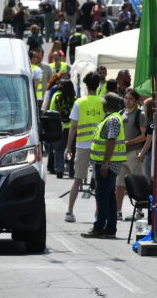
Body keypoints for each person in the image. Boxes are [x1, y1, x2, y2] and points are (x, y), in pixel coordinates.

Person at [81, 93, 126, 239]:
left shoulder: (112, 119)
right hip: (106, 162)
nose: (102, 105)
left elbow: (111, 141)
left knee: (102, 196)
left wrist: (106, 163)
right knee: (109, 197)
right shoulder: (112, 118)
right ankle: (110, 229)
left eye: (103, 103)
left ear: (107, 105)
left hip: (107, 163)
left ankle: (99, 227)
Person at [63, 75, 105, 222]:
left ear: (86, 86)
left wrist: (68, 146)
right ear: (98, 85)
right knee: (99, 181)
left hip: (82, 146)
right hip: (100, 146)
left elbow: (73, 126)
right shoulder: (103, 102)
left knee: (77, 179)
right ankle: (98, 213)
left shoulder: (79, 102)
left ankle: (69, 212)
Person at [116, 89, 147, 219]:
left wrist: (129, 142)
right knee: (119, 184)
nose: (127, 101)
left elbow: (144, 136)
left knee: (137, 183)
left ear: (136, 101)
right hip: (120, 154)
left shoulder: (140, 115)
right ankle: (118, 211)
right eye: (126, 98)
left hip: (134, 153)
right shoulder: (120, 113)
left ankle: (139, 211)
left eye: (130, 99)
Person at [47, 78, 76, 179]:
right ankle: (72, 171)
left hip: (60, 127)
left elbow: (52, 111)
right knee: (72, 149)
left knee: (59, 149)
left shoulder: (56, 96)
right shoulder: (74, 99)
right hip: (72, 127)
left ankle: (59, 170)